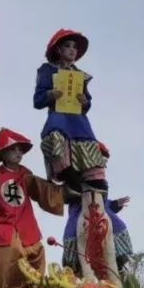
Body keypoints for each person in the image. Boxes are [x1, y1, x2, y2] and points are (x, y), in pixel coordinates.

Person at [0, 128, 65, 288]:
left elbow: (42, 189)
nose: (18, 153)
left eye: (20, 149)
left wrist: (64, 191)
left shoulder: (25, 175)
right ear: (3, 152)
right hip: (3, 223)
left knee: (37, 251)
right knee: (12, 250)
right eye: (13, 149)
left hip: (25, 223)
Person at [34, 29, 107, 196]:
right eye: (67, 46)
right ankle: (67, 176)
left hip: (78, 121)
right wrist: (50, 95)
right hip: (59, 116)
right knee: (56, 139)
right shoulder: (48, 70)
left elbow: (87, 101)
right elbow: (37, 100)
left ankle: (94, 181)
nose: (72, 50)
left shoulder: (79, 75)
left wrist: (85, 101)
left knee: (88, 145)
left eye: (75, 47)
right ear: (58, 49)